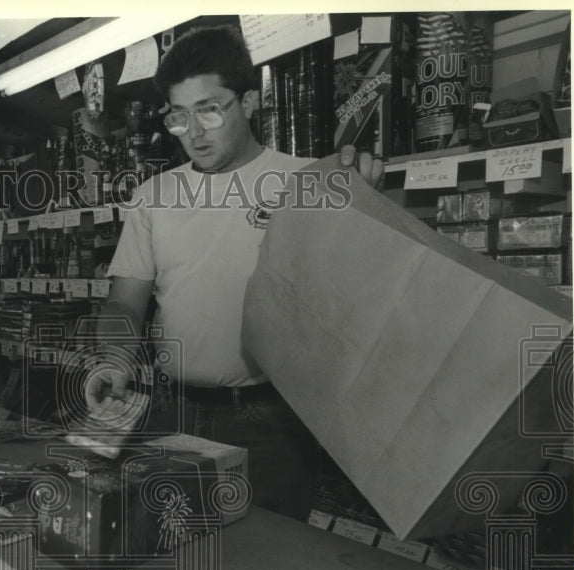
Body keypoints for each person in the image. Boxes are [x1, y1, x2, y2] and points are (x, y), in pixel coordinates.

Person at [88, 25, 383, 521]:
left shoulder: (306, 181)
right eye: (180, 116)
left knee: (266, 565)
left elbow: (357, 299)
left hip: (271, 422)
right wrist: (115, 358)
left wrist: (368, 204)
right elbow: (124, 302)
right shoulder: (154, 197)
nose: (194, 133)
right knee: (173, 555)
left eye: (209, 109)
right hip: (171, 411)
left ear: (248, 102)